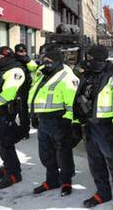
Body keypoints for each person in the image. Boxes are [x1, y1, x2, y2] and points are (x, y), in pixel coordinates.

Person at [73, 45, 113, 210]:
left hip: (108, 126)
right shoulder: (86, 76)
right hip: (89, 125)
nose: (88, 61)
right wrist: (76, 123)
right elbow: (77, 100)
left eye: (91, 58)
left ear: (99, 58)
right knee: (95, 162)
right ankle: (103, 192)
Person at [28, 50, 79, 196]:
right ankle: (52, 180)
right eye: (45, 60)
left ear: (58, 61)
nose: (46, 63)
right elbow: (36, 94)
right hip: (43, 119)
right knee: (46, 153)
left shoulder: (67, 77)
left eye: (50, 60)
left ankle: (66, 181)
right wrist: (34, 114)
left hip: (59, 119)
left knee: (63, 153)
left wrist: (71, 121)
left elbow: (73, 102)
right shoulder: (43, 74)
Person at [0, 46, 28, 189]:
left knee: (5, 143)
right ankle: (7, 166)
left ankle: (13, 173)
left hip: (5, 112)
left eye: (1, 57)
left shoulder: (15, 71)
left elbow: (8, 95)